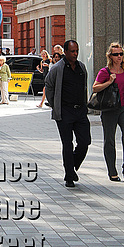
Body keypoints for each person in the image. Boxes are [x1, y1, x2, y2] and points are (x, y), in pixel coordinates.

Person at [45, 40, 91, 188]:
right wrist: (54, 104)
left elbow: (84, 87)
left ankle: (72, 168)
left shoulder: (81, 67)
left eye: (77, 51)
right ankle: (69, 176)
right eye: (72, 51)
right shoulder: (58, 68)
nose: (75, 54)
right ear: (65, 52)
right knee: (67, 143)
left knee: (84, 142)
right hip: (65, 112)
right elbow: (49, 85)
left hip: (80, 111)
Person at [92, 42, 124, 182]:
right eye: (116, 54)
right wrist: (109, 82)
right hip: (109, 109)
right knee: (109, 140)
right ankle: (112, 171)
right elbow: (95, 88)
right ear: (110, 56)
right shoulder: (105, 72)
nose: (119, 57)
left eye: (121, 54)